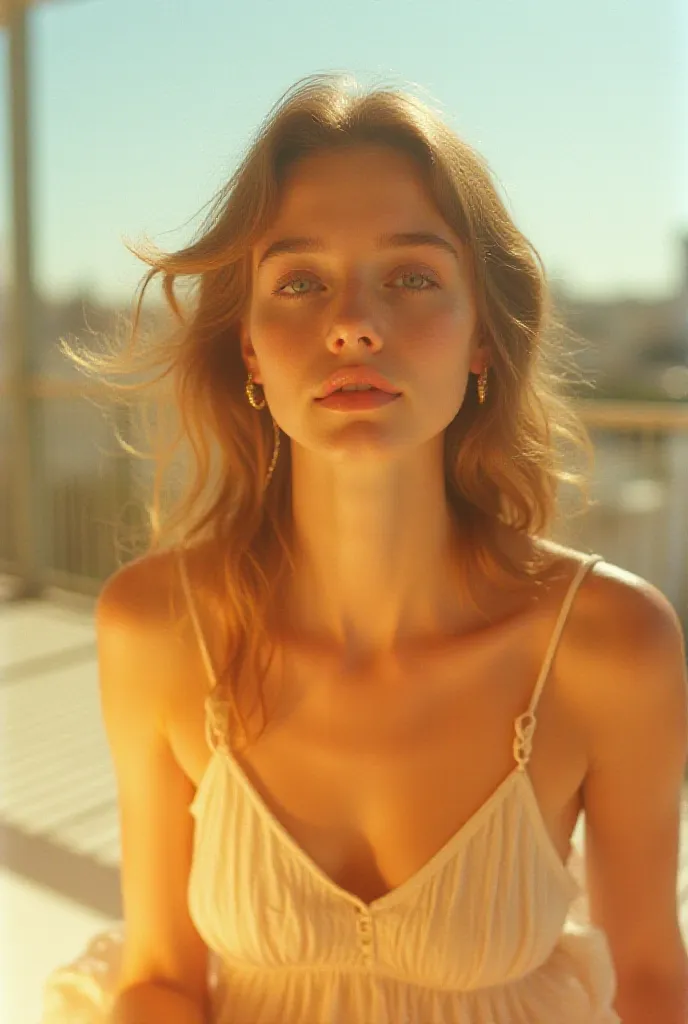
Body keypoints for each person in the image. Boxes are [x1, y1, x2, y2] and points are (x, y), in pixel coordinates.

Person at [41, 72, 688, 1024]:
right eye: (300, 282)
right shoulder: (156, 627)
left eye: (413, 277)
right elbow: (162, 977)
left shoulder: (607, 643)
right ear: (251, 349)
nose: (353, 324)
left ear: (482, 340)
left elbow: (654, 983)